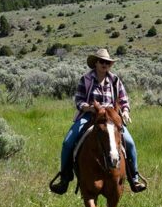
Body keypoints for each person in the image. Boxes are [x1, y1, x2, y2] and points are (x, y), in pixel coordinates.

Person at [49, 48, 147, 195]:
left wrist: (125, 111)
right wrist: (88, 108)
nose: (105, 64)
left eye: (107, 62)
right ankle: (65, 178)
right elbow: (79, 100)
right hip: (91, 115)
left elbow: (123, 98)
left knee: (130, 143)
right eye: (102, 61)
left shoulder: (115, 80)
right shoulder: (86, 79)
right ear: (95, 63)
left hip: (111, 117)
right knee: (68, 142)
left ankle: (134, 178)